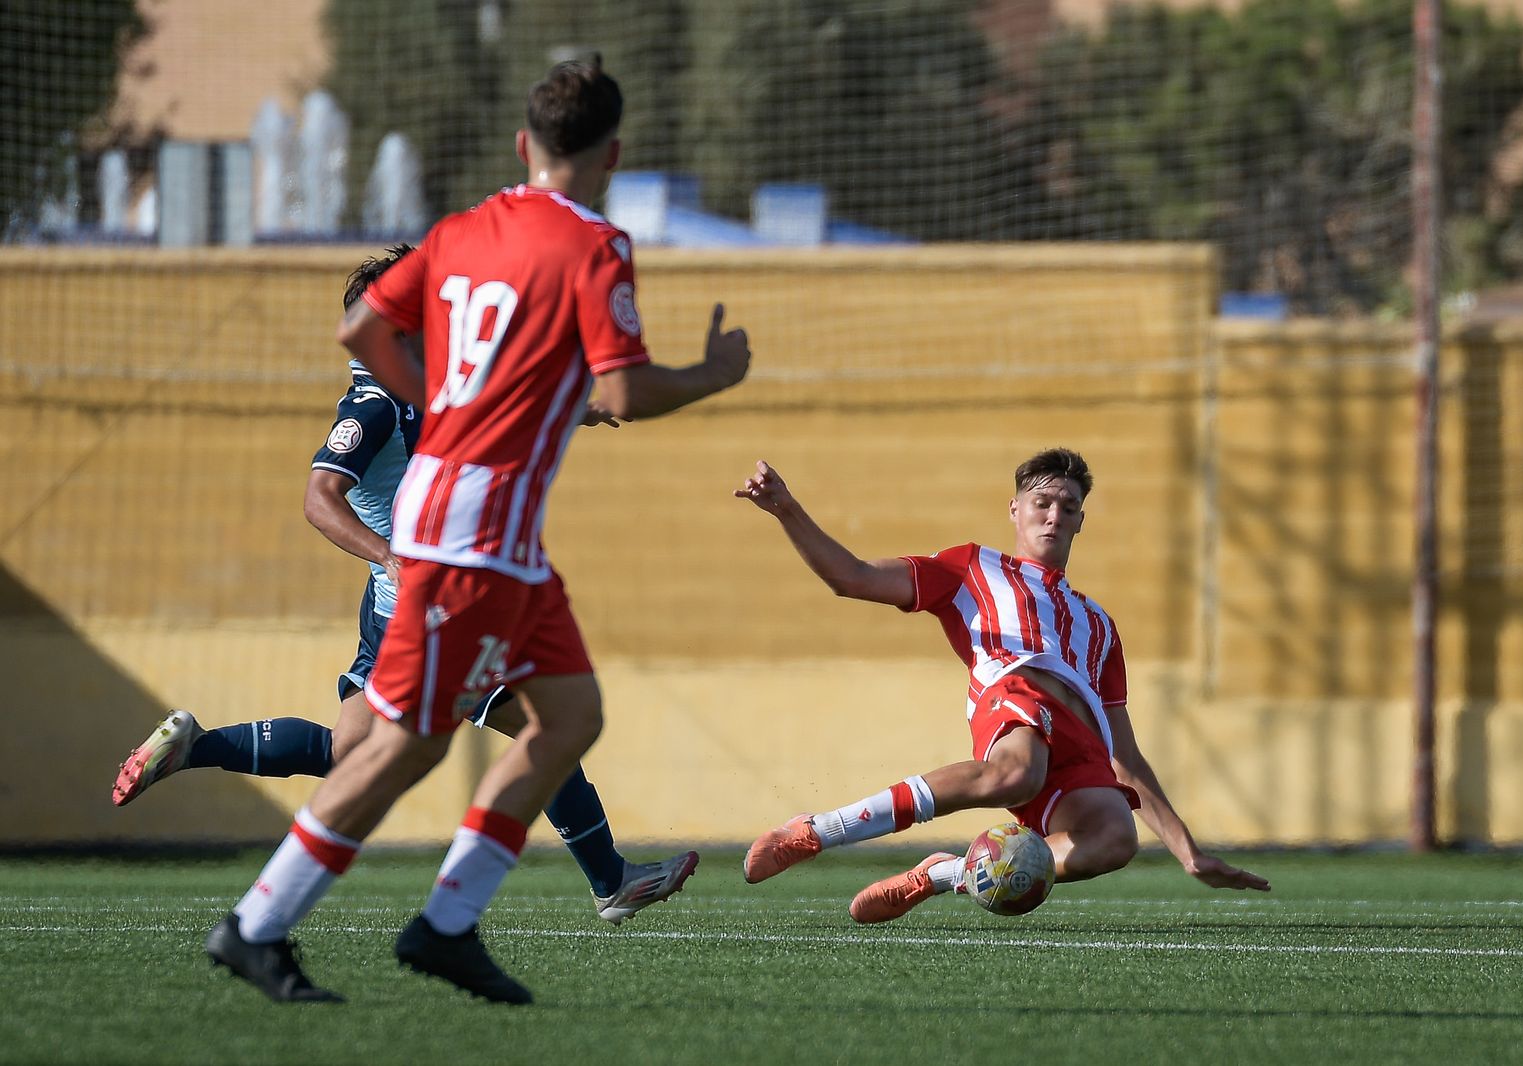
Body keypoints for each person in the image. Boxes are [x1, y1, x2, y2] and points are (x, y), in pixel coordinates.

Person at [203, 58, 750, 1005]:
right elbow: (623, 388)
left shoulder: (462, 232)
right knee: (401, 746)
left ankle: (446, 923)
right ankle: (263, 926)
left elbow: (363, 329)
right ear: (614, 153)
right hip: (473, 534)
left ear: (521, 146)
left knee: (568, 716)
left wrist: (447, 404)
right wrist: (714, 373)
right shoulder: (594, 243)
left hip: (490, 540)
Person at [111, 246, 697, 929]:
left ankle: (198, 746)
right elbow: (320, 497)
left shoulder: (426, 385)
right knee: (547, 726)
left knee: (349, 750)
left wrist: (580, 411)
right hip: (430, 609)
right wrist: (391, 557)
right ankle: (604, 882)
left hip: (403, 611)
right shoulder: (375, 402)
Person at [735, 448, 1269, 923]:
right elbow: (850, 577)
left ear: (1081, 521)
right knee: (1015, 773)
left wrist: (1187, 851)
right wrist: (787, 509)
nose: (1054, 515)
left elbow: (1123, 751)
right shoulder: (971, 567)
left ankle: (946, 874)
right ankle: (814, 831)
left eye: (1068, 507)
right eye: (1042, 503)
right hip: (1016, 694)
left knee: (1113, 839)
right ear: (1015, 509)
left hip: (1080, 737)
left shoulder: (1100, 625)